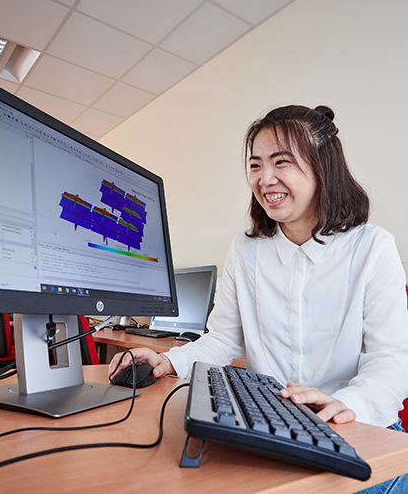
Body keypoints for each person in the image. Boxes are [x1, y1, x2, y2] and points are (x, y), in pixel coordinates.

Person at [109, 105, 408, 490]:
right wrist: (169, 360)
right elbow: (223, 338)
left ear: (323, 166)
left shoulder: (373, 247)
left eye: (280, 162)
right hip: (273, 431)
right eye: (255, 165)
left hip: (360, 431)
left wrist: (351, 405)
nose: (265, 179)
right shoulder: (245, 249)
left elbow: (391, 359)